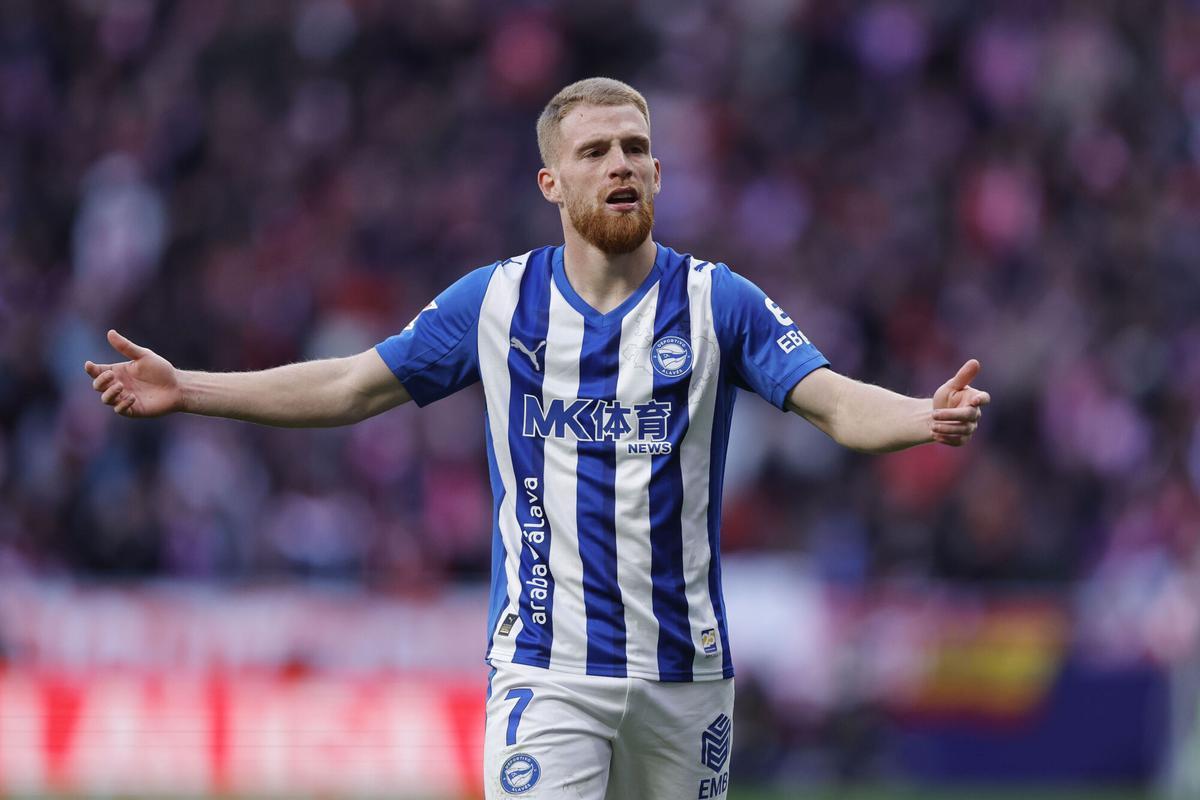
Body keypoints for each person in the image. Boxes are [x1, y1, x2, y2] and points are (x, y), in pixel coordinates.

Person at [85, 77, 989, 799]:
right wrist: (191, 388)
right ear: (552, 184)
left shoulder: (721, 302)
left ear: (660, 173)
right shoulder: (497, 301)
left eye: (636, 147)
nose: (620, 164)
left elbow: (831, 400)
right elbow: (351, 384)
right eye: (594, 151)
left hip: (688, 676)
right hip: (546, 670)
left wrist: (921, 414)